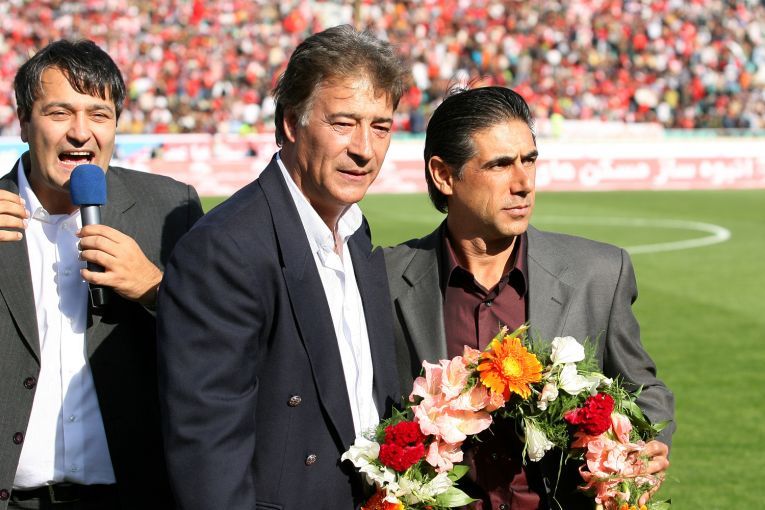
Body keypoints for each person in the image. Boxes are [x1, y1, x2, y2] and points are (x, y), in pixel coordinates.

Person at [384, 86, 675, 509]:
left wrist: (645, 445)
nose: (523, 183)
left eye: (530, 160)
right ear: (444, 175)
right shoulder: (384, 279)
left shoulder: (599, 273)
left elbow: (643, 389)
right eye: (500, 164)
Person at [156, 25, 406, 510]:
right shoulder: (224, 249)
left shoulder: (356, 233)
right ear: (292, 122)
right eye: (344, 123)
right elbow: (208, 459)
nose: (365, 148)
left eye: (381, 127)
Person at [0, 40, 203, 509]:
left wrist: (155, 289)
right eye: (59, 113)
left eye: (98, 114)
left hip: (133, 495)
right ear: (24, 122)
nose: (80, 133)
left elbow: (225, 342)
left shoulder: (171, 207)